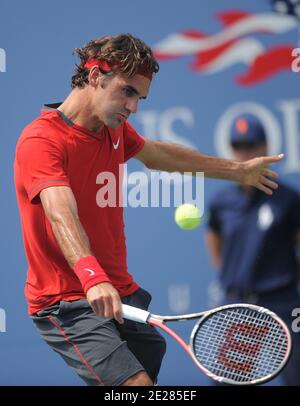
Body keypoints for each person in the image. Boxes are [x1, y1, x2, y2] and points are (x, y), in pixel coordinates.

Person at [14, 33, 283, 387]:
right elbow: (60, 212)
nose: (133, 107)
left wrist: (237, 170)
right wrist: (92, 277)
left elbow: (160, 155)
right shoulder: (41, 140)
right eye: (127, 92)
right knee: (137, 386)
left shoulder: (114, 130)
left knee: (147, 368)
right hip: (69, 300)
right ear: (95, 76)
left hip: (121, 293)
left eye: (140, 97)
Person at [205, 114, 300, 386]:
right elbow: (214, 237)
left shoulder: (289, 199)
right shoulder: (221, 202)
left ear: (265, 147)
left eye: (251, 145)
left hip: (284, 302)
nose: (244, 152)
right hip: (239, 304)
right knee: (229, 383)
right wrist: (233, 274)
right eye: (238, 145)